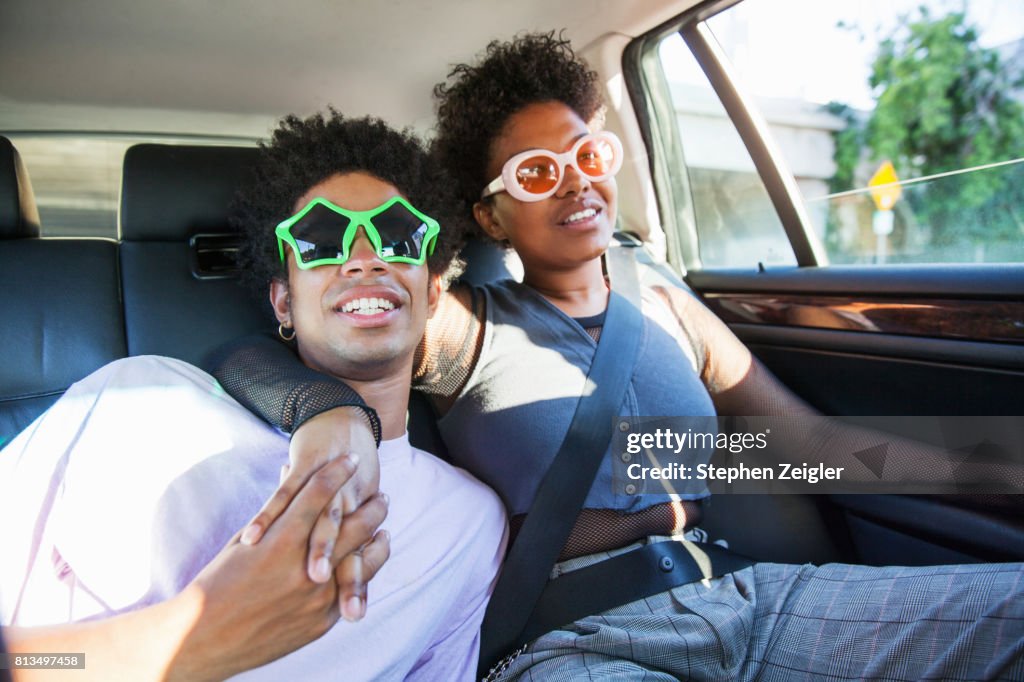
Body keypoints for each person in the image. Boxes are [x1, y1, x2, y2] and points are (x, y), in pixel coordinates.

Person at [210, 35, 1024, 680]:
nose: (576, 185)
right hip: (583, 641)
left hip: (748, 597)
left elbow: (804, 451)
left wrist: (996, 471)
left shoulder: (666, 305)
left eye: (588, 157)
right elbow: (264, 351)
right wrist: (328, 416)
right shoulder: (463, 325)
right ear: (489, 217)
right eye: (537, 173)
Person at [0, 113, 506, 681]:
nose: (365, 258)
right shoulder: (139, 403)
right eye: (319, 240)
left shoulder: (470, 525)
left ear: (432, 291)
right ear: (283, 303)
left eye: (398, 238)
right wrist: (186, 640)